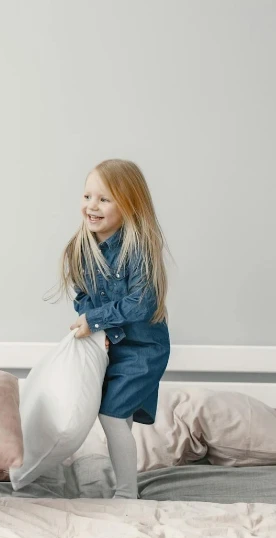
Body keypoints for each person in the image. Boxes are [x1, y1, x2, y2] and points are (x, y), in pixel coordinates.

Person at [61, 159, 171, 499]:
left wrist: (97, 321)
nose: (92, 206)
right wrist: (92, 325)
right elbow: (82, 295)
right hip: (111, 347)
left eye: (104, 199)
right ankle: (127, 485)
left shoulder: (138, 249)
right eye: (87, 196)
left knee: (111, 415)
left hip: (142, 350)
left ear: (129, 204)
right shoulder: (82, 248)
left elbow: (142, 304)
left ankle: (126, 494)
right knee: (116, 419)